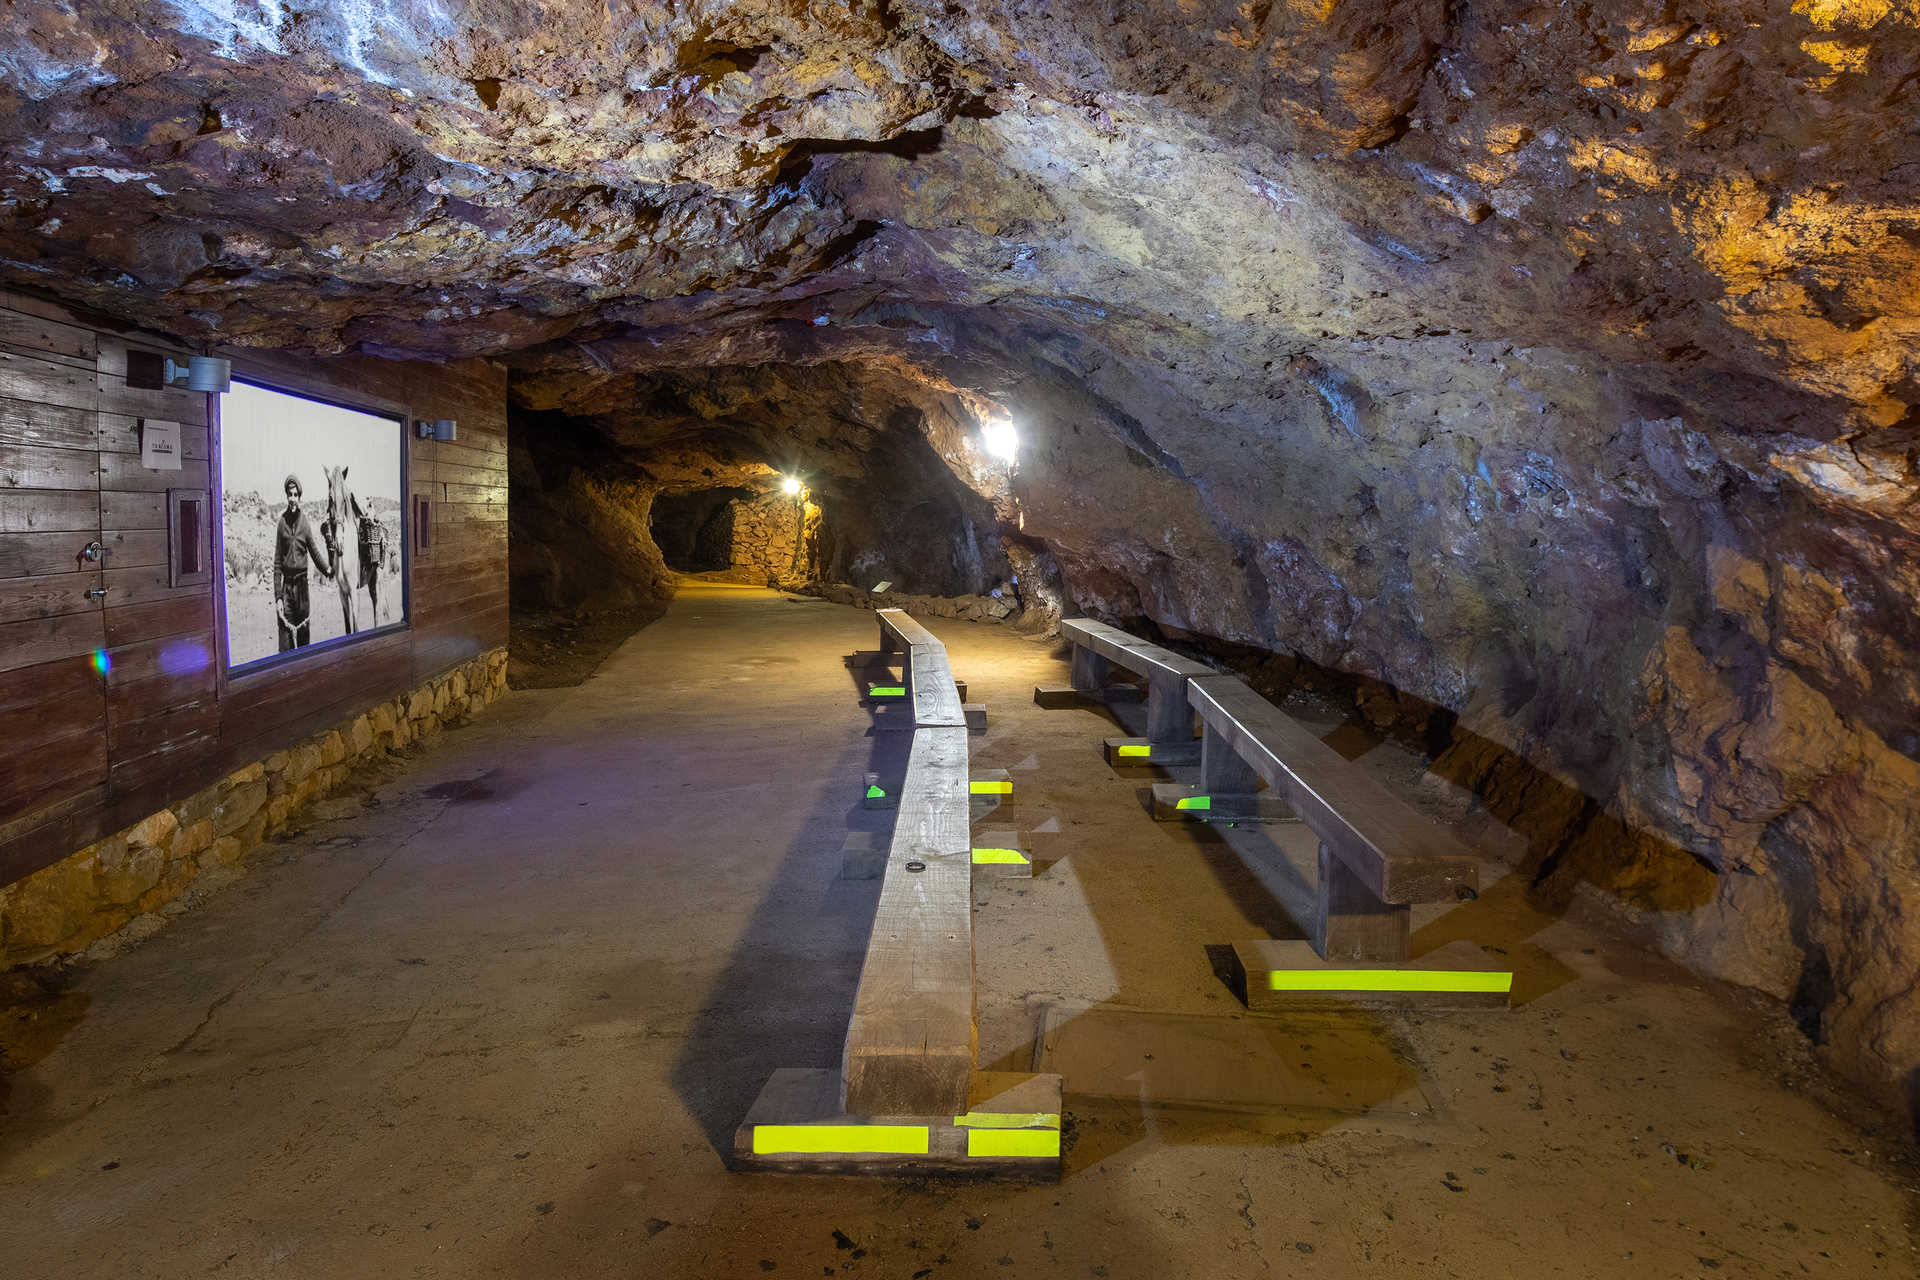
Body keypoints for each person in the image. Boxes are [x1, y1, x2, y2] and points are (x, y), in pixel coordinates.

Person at [273, 473, 333, 651]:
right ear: (286, 496)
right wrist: (278, 597)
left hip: (302, 590)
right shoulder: (281, 523)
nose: (292, 499)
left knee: (304, 642)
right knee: (285, 644)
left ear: (300, 497)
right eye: (289, 495)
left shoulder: (305, 524)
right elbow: (277, 562)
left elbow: (314, 552)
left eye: (295, 495)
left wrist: (328, 570)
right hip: (287, 590)